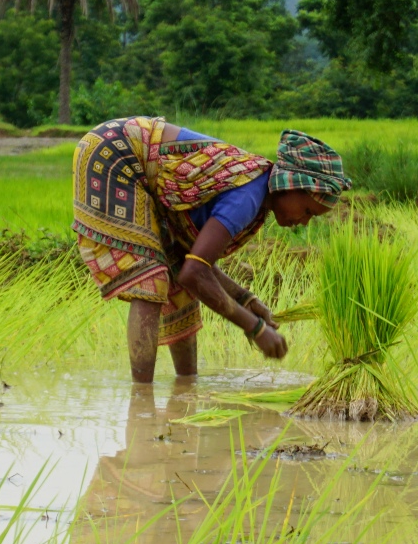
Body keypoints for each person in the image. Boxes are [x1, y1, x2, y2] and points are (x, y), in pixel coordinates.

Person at [71, 119, 351, 382]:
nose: (303, 222)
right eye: (307, 211)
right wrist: (254, 328)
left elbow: (193, 261)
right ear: (290, 186)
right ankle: (141, 397)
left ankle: (186, 386)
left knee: (177, 283)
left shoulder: (255, 191)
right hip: (115, 156)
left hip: (134, 164)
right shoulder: (247, 197)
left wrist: (246, 299)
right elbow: (195, 272)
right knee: (151, 279)